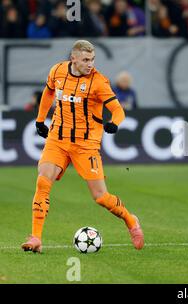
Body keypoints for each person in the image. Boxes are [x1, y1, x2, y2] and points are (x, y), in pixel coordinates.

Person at [21, 40, 144, 253]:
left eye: (92, 59)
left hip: (86, 145)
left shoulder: (98, 82)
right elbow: (48, 92)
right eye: (86, 60)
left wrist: (115, 123)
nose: (90, 64)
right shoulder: (57, 71)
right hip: (57, 140)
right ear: (74, 59)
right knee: (42, 181)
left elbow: (118, 110)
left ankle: (130, 219)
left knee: (101, 197)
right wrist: (40, 120)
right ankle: (36, 238)